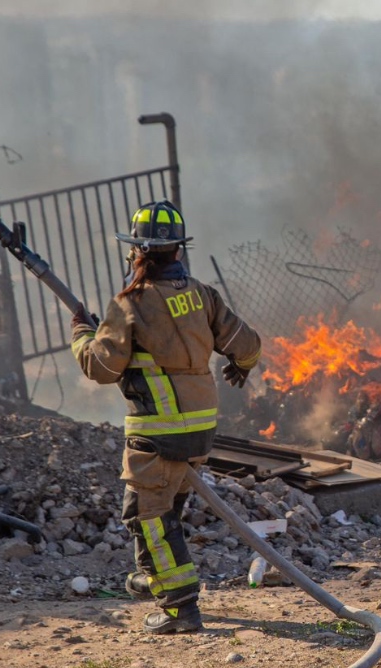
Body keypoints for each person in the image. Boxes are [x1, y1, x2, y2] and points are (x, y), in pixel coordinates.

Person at [72, 200, 262, 634]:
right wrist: (241, 366)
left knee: (147, 516)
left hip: (157, 435)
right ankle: (155, 577)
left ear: (137, 252)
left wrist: (83, 333)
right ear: (178, 251)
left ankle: (179, 607)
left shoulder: (130, 303)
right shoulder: (201, 294)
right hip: (200, 433)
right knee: (166, 510)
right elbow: (247, 344)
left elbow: (100, 368)